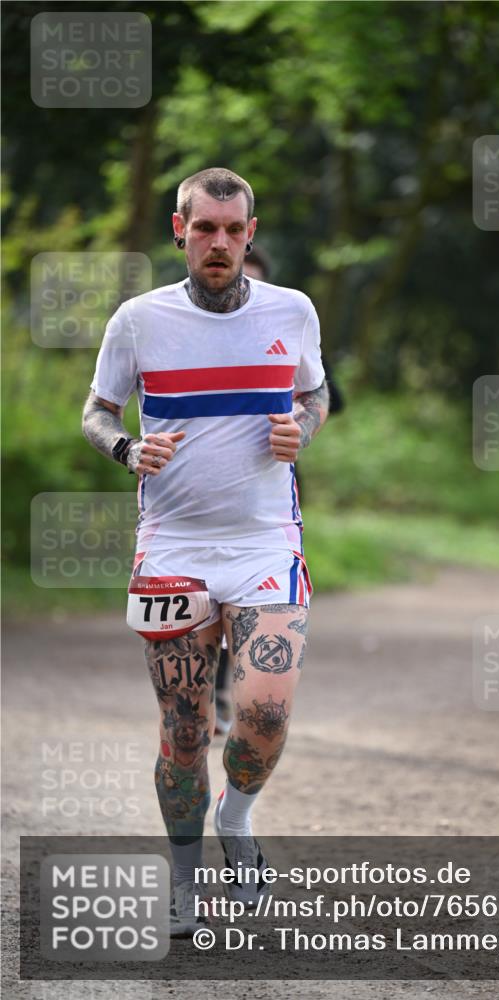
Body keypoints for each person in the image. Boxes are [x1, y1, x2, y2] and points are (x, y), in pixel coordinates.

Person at [82, 167, 329, 936]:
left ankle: (239, 818)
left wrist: (303, 428)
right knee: (185, 730)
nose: (217, 242)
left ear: (250, 233)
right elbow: (96, 410)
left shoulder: (292, 310)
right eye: (203, 228)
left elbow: (315, 395)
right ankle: (186, 881)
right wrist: (127, 449)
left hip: (264, 541)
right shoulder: (138, 319)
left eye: (232, 229)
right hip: (173, 546)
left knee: (263, 715)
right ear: (178, 231)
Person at [214, 245, 344, 735]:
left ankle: (243, 697)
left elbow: (328, 391)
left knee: (252, 600)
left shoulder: (289, 322)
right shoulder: (193, 330)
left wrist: (297, 416)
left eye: (250, 275)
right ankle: (214, 693)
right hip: (202, 496)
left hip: (275, 480)